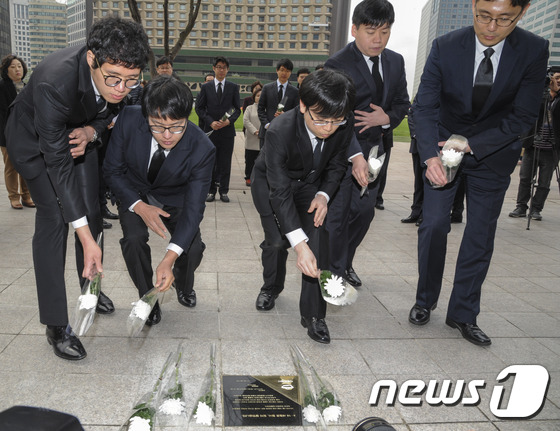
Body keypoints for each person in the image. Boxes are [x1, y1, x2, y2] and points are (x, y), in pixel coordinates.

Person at [5, 17, 150, 360]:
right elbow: (57, 165)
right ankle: (55, 325)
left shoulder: (120, 78)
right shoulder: (54, 81)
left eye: (131, 80)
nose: (121, 87)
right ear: (91, 59)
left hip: (78, 136)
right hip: (34, 144)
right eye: (113, 78)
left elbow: (109, 111)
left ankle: (91, 290)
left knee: (93, 212)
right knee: (55, 218)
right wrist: (82, 235)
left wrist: (91, 132)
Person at [408, 0, 549, 347]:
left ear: (523, 11)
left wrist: (472, 144)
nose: (490, 27)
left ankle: (464, 313)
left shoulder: (534, 49)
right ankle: (425, 300)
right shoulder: (445, 46)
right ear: (473, 5)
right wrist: (430, 157)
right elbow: (424, 106)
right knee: (434, 224)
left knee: (480, 235)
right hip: (443, 150)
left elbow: (523, 116)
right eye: (484, 15)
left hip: (493, 153)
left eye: (504, 19)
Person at [251, 69, 356, 344]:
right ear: (302, 106)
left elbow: (336, 164)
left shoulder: (343, 121)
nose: (328, 128)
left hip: (310, 186)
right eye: (320, 120)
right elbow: (280, 192)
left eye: (336, 121)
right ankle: (271, 287)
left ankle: (313, 315)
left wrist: (323, 195)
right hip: (272, 185)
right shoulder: (279, 131)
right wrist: (298, 244)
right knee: (276, 243)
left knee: (317, 240)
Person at [104, 75, 215, 325]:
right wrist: (139, 206)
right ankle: (148, 298)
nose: (167, 135)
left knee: (192, 248)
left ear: (188, 117)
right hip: (133, 191)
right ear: (146, 117)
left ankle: (183, 284)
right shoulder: (129, 120)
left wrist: (168, 258)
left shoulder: (202, 148)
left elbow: (195, 206)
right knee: (133, 240)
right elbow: (112, 170)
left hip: (175, 196)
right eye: (157, 126)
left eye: (176, 126)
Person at [324, 0, 409, 287]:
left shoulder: (395, 61)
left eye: (384, 32)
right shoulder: (337, 64)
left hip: (376, 153)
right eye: (370, 31)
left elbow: (402, 103)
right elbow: (334, 115)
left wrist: (386, 119)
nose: (378, 39)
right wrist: (354, 154)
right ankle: (333, 272)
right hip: (342, 152)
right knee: (336, 217)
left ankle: (345, 262)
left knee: (364, 213)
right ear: (354, 29)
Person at [509, 70, 560, 221]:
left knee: (544, 182)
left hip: (551, 149)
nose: (558, 81)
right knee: (525, 178)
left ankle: (536, 209)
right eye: (556, 78)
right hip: (533, 145)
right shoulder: (540, 95)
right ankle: (521, 206)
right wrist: (544, 90)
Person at [195, 56, 241, 203]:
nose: (221, 70)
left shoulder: (233, 87)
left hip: (227, 132)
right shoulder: (206, 87)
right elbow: (199, 108)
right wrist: (210, 122)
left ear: (228, 70)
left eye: (224, 67)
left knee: (225, 162)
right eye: (219, 67)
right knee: (211, 162)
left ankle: (224, 191)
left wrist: (229, 121)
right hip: (211, 131)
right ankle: (210, 191)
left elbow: (237, 109)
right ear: (214, 68)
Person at [0, 55, 34, 210]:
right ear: (6, 70)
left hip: (25, 133)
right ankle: (14, 197)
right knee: (11, 166)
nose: (17, 69)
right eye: (13, 66)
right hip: (7, 133)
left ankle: (27, 196)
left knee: (26, 165)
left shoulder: (27, 86)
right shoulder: (2, 87)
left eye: (19, 66)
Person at [257, 58, 299, 148]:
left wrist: (286, 115)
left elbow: (297, 111)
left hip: (285, 133)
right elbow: (260, 108)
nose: (284, 73)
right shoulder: (267, 88)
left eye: (287, 71)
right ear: (277, 70)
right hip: (267, 131)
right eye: (282, 70)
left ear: (290, 73)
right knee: (264, 160)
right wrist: (267, 124)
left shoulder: (295, 91)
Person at [401, 103, 423, 225]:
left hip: (434, 147)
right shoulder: (420, 98)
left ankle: (425, 214)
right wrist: (416, 135)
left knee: (429, 183)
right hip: (417, 146)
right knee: (418, 182)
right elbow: (411, 115)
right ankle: (415, 212)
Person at [243, 87, 262, 187]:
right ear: (254, 97)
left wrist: (262, 132)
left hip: (263, 138)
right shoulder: (249, 108)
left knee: (261, 160)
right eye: (258, 96)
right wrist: (255, 131)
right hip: (251, 138)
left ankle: (259, 178)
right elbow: (246, 121)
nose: (259, 97)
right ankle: (248, 177)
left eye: (262, 96)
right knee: (250, 160)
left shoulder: (267, 109)